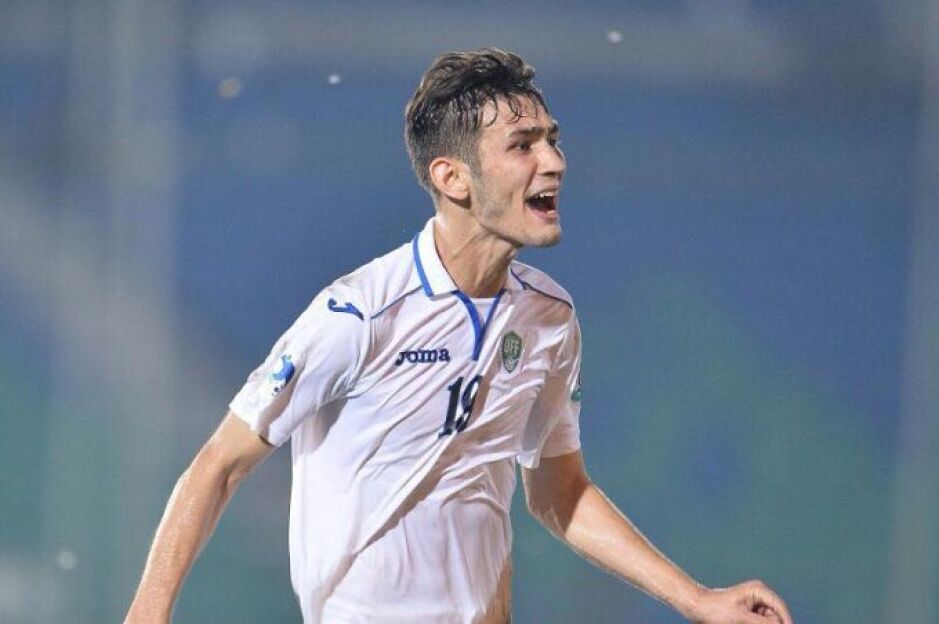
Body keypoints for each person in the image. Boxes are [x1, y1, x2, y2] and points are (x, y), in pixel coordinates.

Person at [125, 48, 792, 624]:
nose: (554, 162)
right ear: (452, 178)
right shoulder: (360, 314)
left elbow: (559, 494)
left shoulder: (548, 318)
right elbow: (219, 465)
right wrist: (147, 615)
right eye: (522, 145)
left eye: (552, 140)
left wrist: (697, 600)